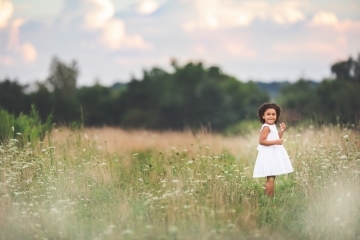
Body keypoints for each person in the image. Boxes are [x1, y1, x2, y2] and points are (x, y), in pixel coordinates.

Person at [253, 102, 293, 197]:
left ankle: (269, 196)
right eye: (268, 114)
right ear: (263, 116)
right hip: (269, 154)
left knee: (272, 177)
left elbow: (276, 138)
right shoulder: (266, 127)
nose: (271, 116)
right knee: (270, 177)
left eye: (273, 114)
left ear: (277, 116)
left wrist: (281, 131)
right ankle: (269, 197)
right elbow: (262, 141)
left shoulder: (272, 126)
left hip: (272, 153)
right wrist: (276, 142)